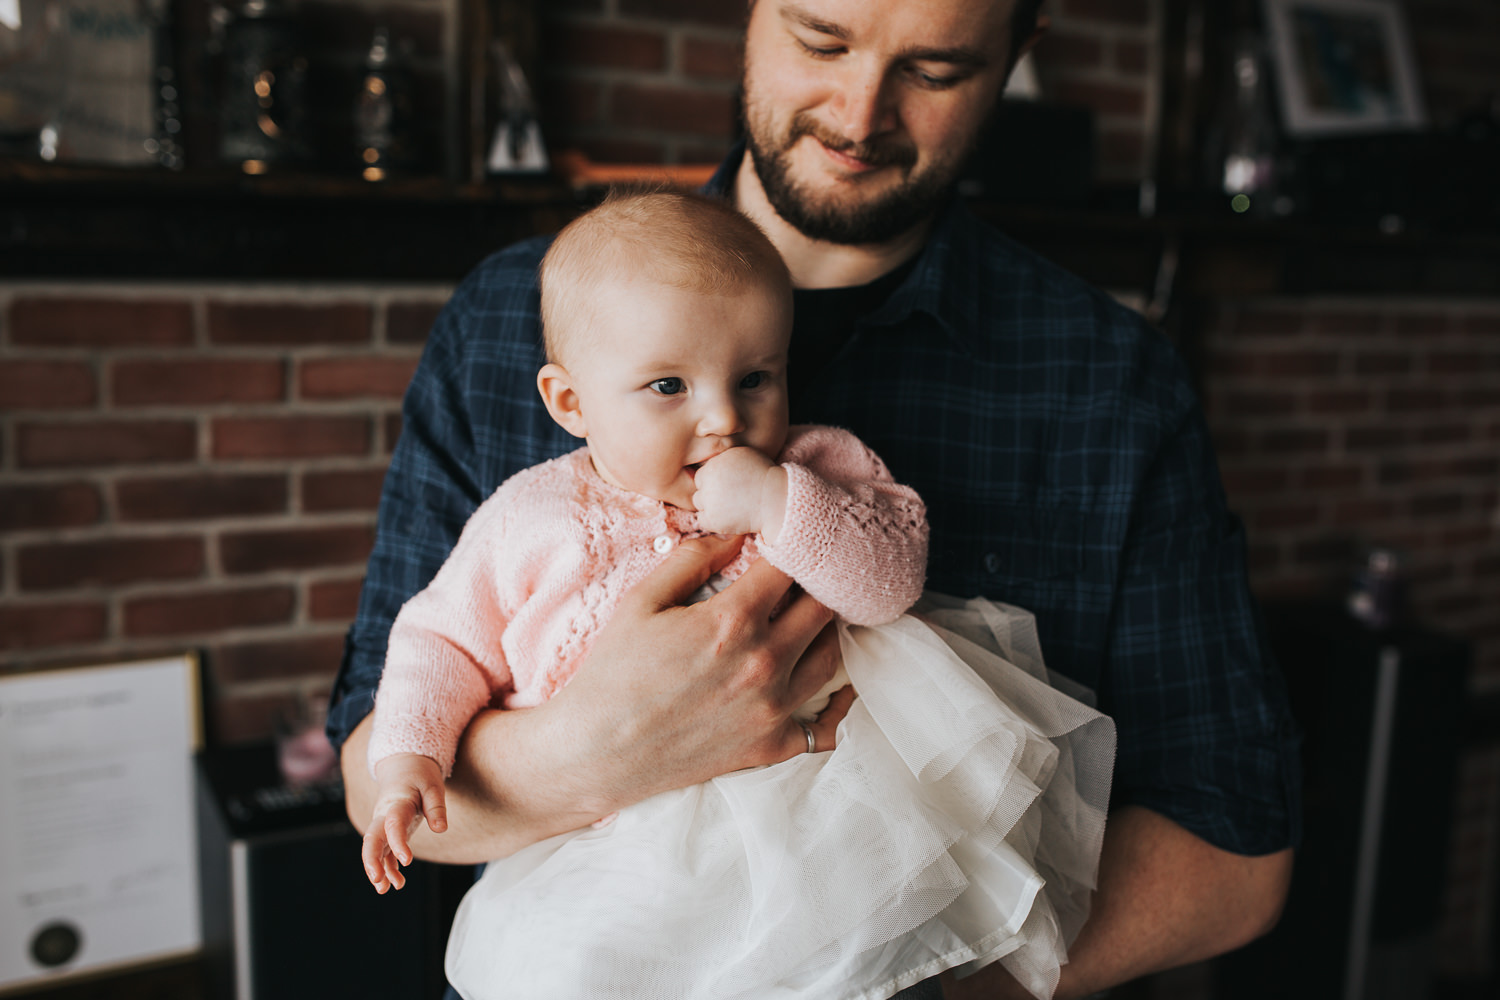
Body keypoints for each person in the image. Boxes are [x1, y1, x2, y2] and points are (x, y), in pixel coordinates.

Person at [329, 1, 1301, 996]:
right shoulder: (508, 319)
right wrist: (600, 752)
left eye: (934, 68)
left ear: (1018, 54)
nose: (859, 111)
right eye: (822, 40)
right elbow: (381, 752)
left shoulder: (1109, 384)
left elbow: (1235, 851)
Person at [361, 189, 1113, 999]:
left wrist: (779, 504)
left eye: (755, 377)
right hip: (609, 847)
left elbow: (892, 580)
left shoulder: (816, 462)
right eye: (667, 387)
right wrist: (410, 757)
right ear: (569, 402)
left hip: (819, 815)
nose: (723, 417)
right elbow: (439, 641)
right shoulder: (525, 518)